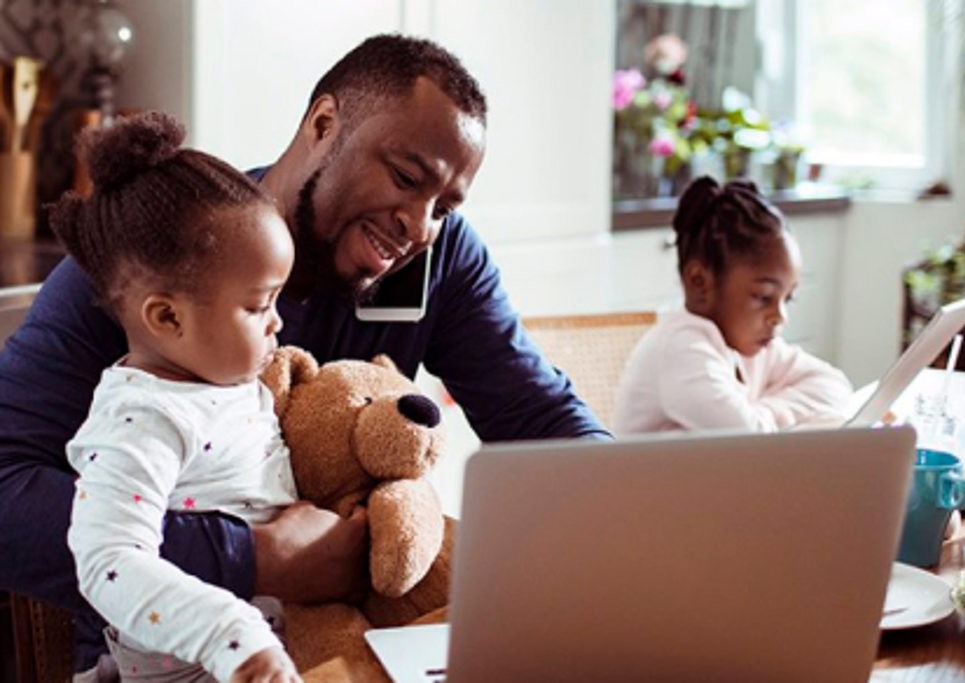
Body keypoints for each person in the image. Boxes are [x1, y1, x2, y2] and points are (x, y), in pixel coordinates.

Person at [0, 35, 608, 677]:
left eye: (446, 208)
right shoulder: (157, 264)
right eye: (406, 178)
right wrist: (251, 556)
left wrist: (645, 513)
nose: (421, 228)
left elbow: (543, 423)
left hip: (349, 646)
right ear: (324, 124)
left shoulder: (441, 259)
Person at [58, 112, 301, 682]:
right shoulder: (141, 418)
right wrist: (231, 636)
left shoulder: (227, 386)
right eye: (258, 305)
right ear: (167, 317)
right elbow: (109, 561)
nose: (277, 323)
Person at [612, 176, 852, 434]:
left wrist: (764, 411)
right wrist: (772, 416)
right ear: (699, 281)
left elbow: (835, 385)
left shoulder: (754, 348)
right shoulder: (680, 348)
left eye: (787, 299)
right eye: (763, 297)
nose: (780, 316)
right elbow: (748, 438)